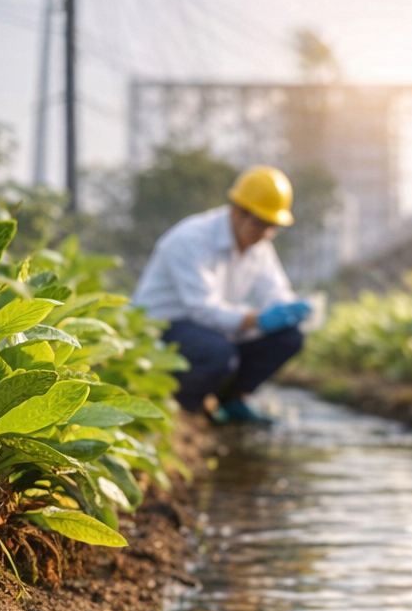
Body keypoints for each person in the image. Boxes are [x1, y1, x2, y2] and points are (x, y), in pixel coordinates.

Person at [133, 165, 312, 424]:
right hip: (164, 327)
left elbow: (275, 290)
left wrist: (289, 309)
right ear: (238, 212)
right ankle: (186, 409)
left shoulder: (259, 245)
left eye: (273, 226)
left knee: (288, 338)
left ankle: (232, 398)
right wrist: (257, 319)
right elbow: (203, 309)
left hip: (211, 328)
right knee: (218, 351)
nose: (267, 234)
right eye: (261, 224)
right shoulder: (190, 239)